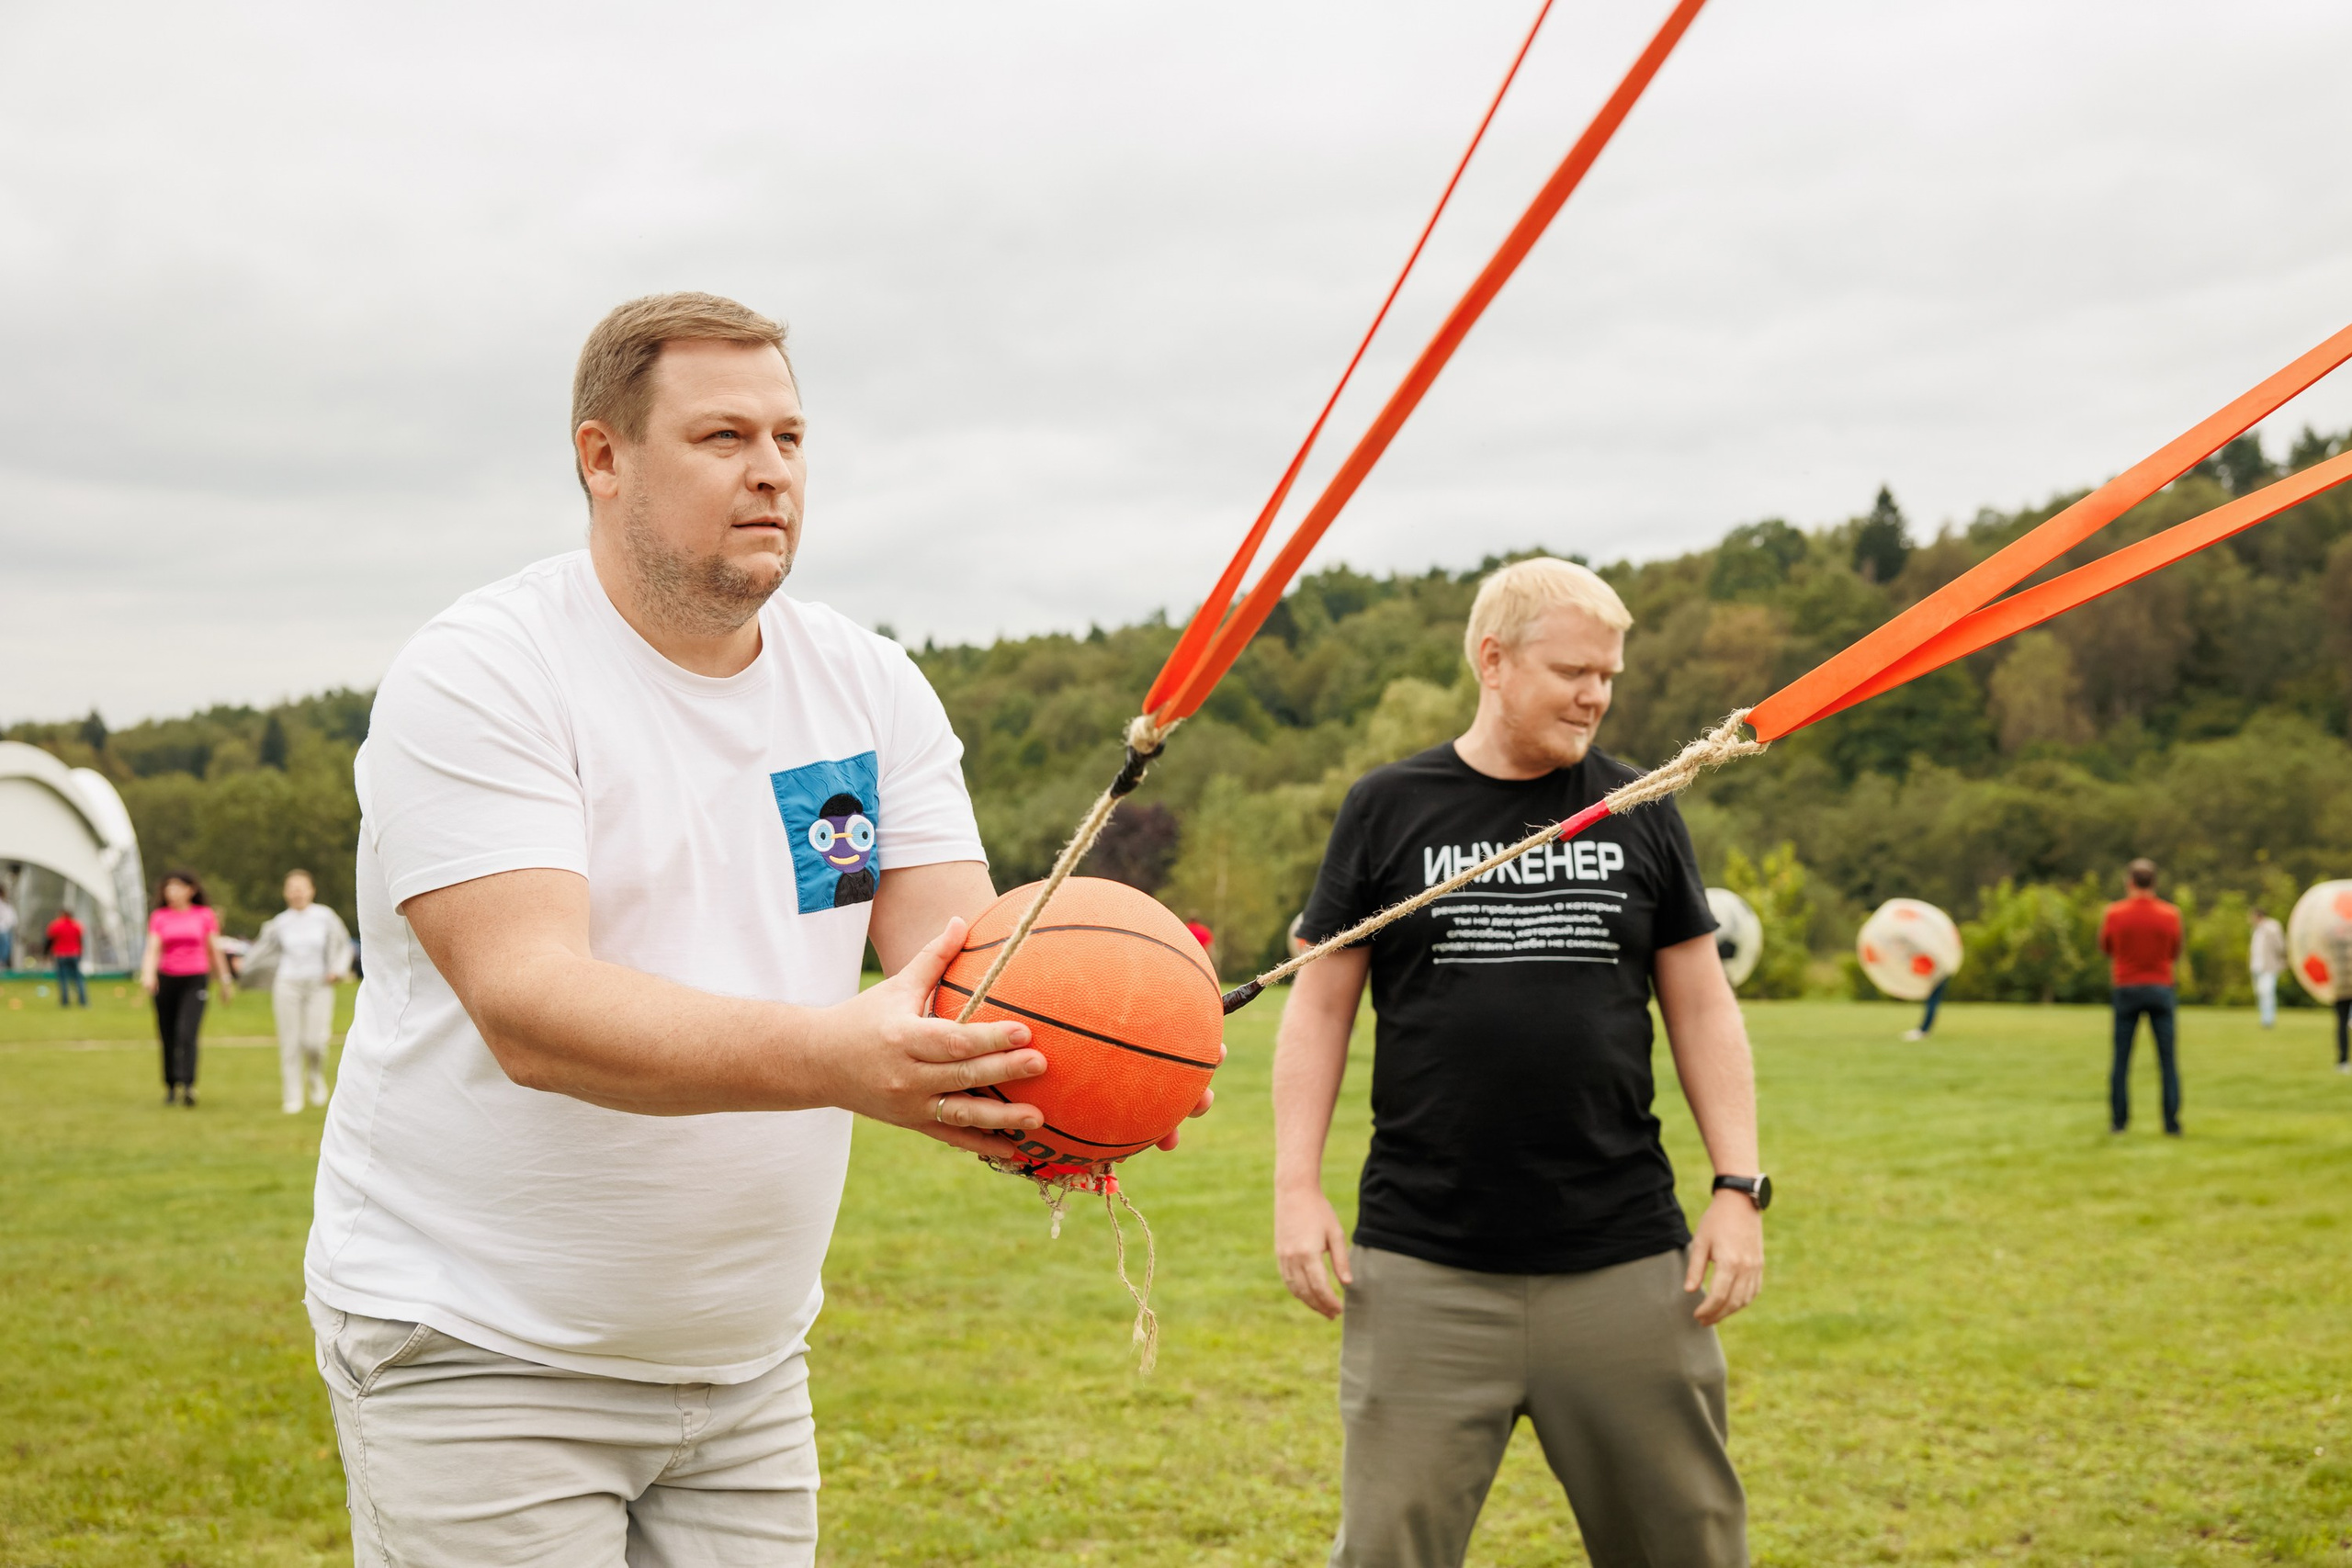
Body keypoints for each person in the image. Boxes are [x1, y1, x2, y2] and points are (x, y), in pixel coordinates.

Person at [302, 292, 1210, 1566]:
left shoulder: (868, 683)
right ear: (603, 458)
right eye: (724, 436)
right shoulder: (485, 671)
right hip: (479, 1347)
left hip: (746, 1363)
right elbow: (529, 1005)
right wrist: (840, 1056)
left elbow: (970, 971)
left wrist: (1105, 1058)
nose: (772, 470)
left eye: (790, 437)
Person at [1276, 558, 1763, 1568]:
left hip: (1624, 1261)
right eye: (1573, 670)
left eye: (1610, 676)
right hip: (1422, 1266)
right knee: (1386, 1551)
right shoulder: (1386, 806)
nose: (1596, 694)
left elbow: (1702, 1005)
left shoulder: (1640, 805)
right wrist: (1294, 1187)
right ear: (1492, 661)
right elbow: (1320, 1004)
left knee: (1689, 1546)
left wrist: (1737, 1188)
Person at [246, 870, 353, 1113]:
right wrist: (244, 966)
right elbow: (261, 951)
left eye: (301, 887)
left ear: (311, 890)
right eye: (291, 888)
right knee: (290, 1043)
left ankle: (315, 1077)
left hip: (319, 985)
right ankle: (292, 1097)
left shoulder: (325, 916)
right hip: (287, 984)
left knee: (314, 1042)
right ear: (285, 893)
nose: (297, 892)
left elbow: (343, 945)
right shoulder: (279, 922)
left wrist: (337, 969)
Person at [2098, 858, 2183, 1136]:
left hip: (2126, 989)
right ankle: (2171, 1123)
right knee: (2167, 1060)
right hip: (2160, 988)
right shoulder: (2170, 914)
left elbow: (2106, 947)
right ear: (2155, 883)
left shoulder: (2115, 913)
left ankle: (2118, 1122)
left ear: (2129, 882)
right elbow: (2174, 951)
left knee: (2121, 1060)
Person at [141, 871, 235, 1106]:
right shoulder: (160, 917)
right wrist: (148, 974)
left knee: (187, 1033)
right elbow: (153, 948)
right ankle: (171, 1085)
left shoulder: (204, 915)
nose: (172, 892)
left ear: (190, 890)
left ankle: (189, 1084)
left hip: (195, 979)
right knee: (168, 1034)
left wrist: (225, 980)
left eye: (177, 887)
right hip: (167, 979)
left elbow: (214, 949)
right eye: (168, 887)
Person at [2246, 906, 2285, 1030]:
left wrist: (2282, 962)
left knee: (2267, 992)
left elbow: (2280, 946)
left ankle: (2268, 1020)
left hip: (2269, 967)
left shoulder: (2272, 927)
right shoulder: (2255, 930)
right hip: (2257, 968)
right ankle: (2264, 1018)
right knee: (2261, 994)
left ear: (2258, 916)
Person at [46, 907, 88, 1007]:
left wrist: (46, 954)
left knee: (63, 979)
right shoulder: (77, 925)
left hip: (61, 955)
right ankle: (83, 1001)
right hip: (75, 954)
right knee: (78, 979)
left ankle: (65, 1002)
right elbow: (80, 941)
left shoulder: (56, 925)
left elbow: (49, 941)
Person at [1902, 974, 1949, 1042]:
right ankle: (1923, 1029)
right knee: (1932, 1001)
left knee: (1932, 1001)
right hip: (1939, 975)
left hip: (1938, 975)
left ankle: (1924, 1030)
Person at [0, 886, 17, 969]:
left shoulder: (6, 905)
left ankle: (2, 962)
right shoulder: (6, 905)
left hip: (4, 929)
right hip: (4, 930)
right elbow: (12, 920)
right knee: (5, 946)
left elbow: (12, 919)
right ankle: (2, 962)